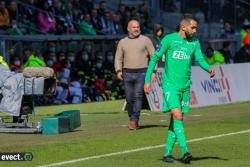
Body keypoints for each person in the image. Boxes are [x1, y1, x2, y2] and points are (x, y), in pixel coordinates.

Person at [144, 14, 215, 164]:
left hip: (185, 86)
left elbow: (200, 59)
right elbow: (155, 58)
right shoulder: (169, 39)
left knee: (174, 120)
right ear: (183, 27)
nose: (195, 30)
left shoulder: (194, 42)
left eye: (196, 27)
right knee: (177, 115)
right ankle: (186, 151)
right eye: (193, 27)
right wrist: (147, 80)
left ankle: (167, 154)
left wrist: (208, 69)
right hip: (170, 85)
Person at [114, 19, 155, 130]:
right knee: (129, 98)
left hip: (142, 72)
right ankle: (132, 117)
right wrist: (118, 70)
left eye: (138, 27)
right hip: (127, 73)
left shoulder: (146, 40)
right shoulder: (122, 42)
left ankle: (134, 120)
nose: (136, 29)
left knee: (137, 96)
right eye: (134, 27)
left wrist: (153, 72)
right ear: (128, 29)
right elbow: (118, 58)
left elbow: (154, 57)